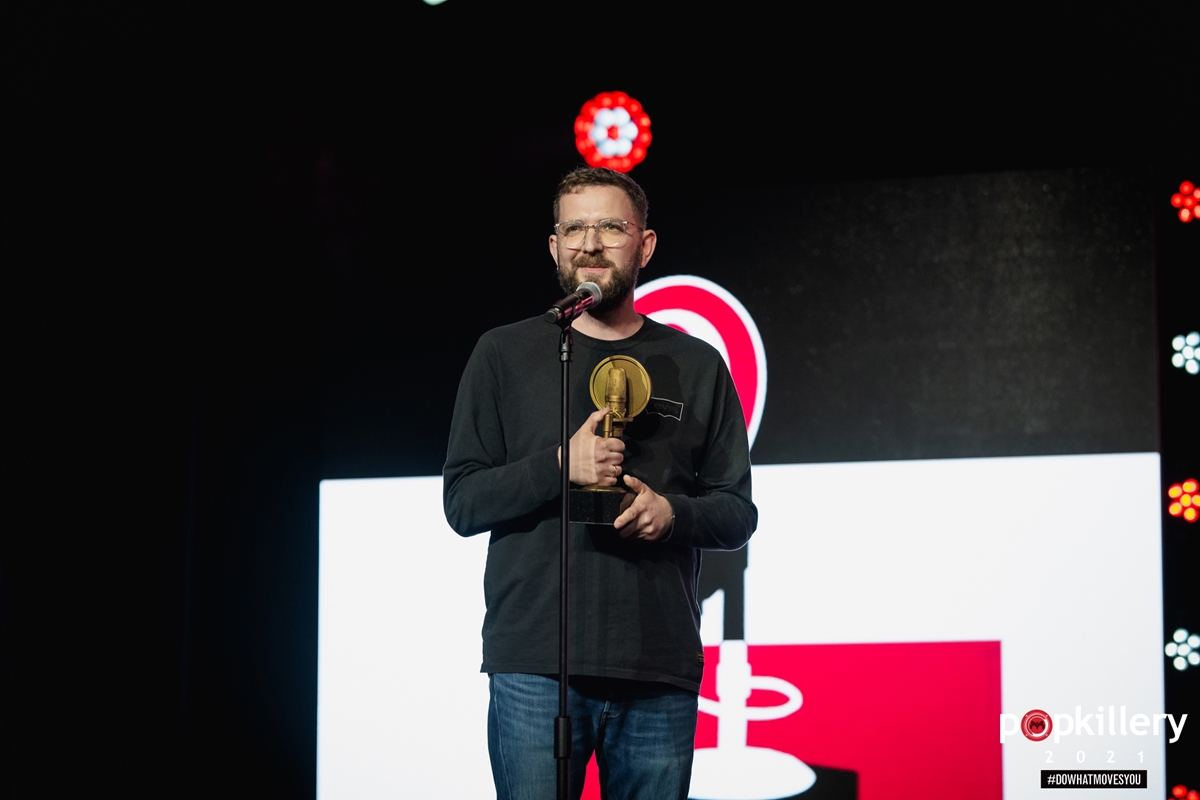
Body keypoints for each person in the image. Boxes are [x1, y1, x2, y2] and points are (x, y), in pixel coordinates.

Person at [443, 166, 757, 800]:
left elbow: (736, 512)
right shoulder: (502, 354)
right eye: (574, 228)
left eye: (611, 227)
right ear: (554, 245)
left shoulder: (697, 363)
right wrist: (561, 465)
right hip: (536, 662)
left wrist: (672, 515)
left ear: (645, 245)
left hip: (657, 663)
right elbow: (464, 501)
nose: (590, 243)